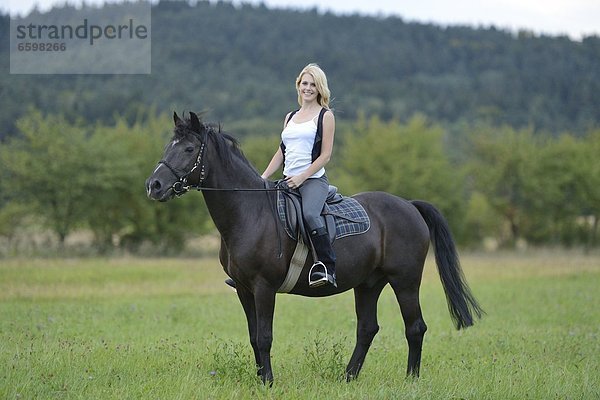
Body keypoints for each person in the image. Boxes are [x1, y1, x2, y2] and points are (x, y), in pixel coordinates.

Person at [261, 63, 337, 288]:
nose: (308, 88)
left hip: (312, 181)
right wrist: (263, 177)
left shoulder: (325, 116)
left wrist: (302, 177)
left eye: (313, 84)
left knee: (311, 215)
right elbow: (281, 151)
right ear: (298, 85)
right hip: (287, 180)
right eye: (305, 83)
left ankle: (326, 266)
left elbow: (326, 156)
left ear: (320, 88)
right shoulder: (290, 117)